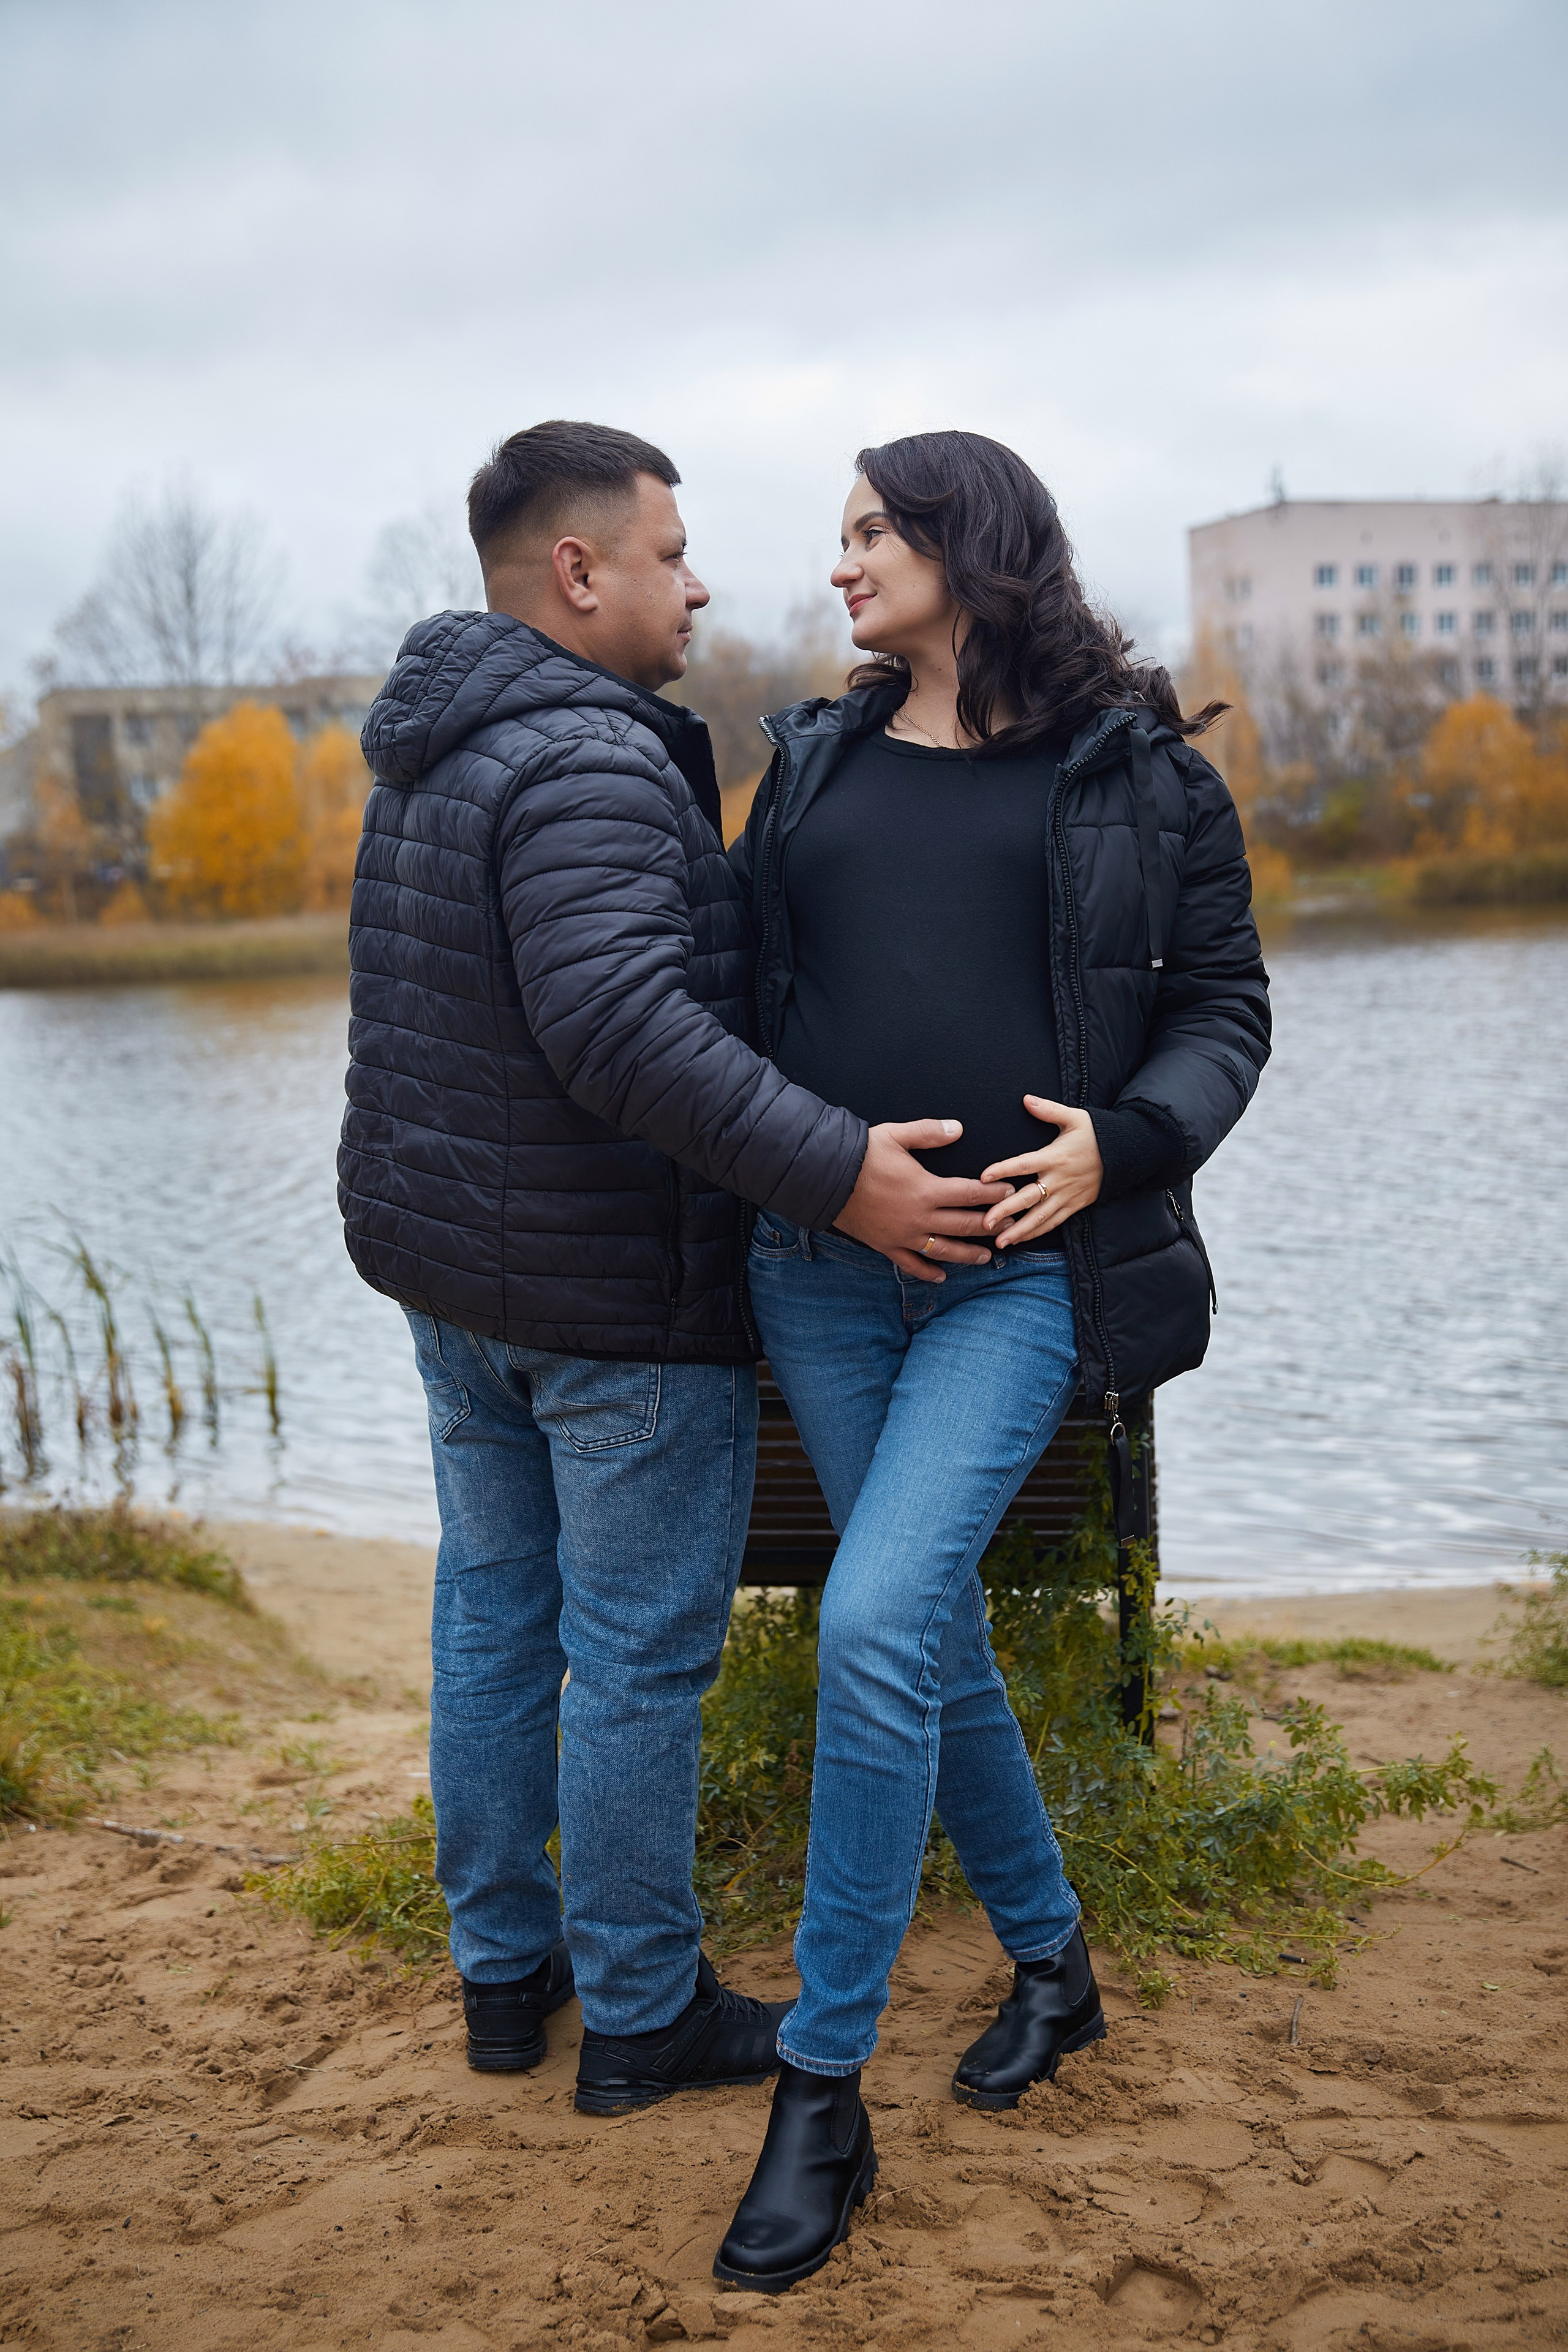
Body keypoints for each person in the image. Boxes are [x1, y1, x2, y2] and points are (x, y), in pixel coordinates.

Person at [338, 420, 1011, 2116]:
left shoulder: (442, 744)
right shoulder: (588, 758)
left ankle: (507, 1978)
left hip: (460, 1286)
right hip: (612, 1299)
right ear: (578, 571)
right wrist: (846, 1174)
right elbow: (621, 1029)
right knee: (635, 1659)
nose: (700, 583)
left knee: (495, 1620)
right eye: (668, 553)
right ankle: (638, 2010)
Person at [714, 430, 1272, 2292]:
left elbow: (1224, 1009)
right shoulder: (812, 762)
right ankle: (1053, 1964)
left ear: (969, 541)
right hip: (817, 1267)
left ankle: (822, 2087)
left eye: (874, 530)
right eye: (843, 534)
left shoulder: (1139, 771)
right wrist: (818, 1177)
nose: (844, 561)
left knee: (874, 1622)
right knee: (919, 1631)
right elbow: (732, 1010)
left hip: (1019, 1281)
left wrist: (1128, 1137)